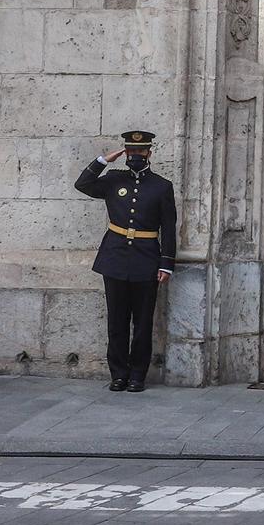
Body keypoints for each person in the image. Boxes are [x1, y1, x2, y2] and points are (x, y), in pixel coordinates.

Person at [75, 130, 178, 394]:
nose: (135, 156)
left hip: (146, 260)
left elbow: (169, 226)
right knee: (117, 321)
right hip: (115, 258)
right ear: (125, 153)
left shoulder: (161, 186)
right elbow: (83, 184)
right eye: (131, 152)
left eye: (140, 152)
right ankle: (118, 374)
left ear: (149, 153)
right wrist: (103, 160)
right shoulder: (112, 179)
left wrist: (166, 263)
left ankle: (137, 375)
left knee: (142, 323)